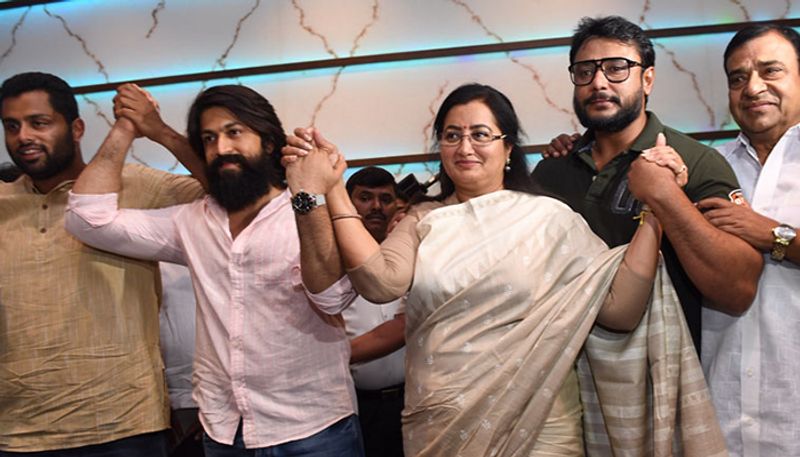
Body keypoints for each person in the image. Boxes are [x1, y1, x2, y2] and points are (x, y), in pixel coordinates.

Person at [282, 83, 725, 456]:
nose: (465, 147)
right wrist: (332, 187)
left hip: (540, 424)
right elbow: (380, 281)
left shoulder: (549, 219)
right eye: (452, 136)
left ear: (508, 147)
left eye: (480, 134)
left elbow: (619, 310)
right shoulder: (423, 218)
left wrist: (656, 210)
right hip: (441, 425)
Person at [64, 84, 364, 456]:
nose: (221, 148)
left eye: (234, 132)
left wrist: (309, 195)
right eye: (209, 139)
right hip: (225, 431)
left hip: (314, 428)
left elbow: (333, 298)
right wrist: (129, 125)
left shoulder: (305, 211)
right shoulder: (192, 222)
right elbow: (86, 219)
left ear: (269, 142)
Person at [530, 15, 763, 355]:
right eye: (585, 71)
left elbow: (738, 290)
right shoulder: (551, 170)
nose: (598, 82)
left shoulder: (695, 161)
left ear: (648, 79)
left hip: (658, 367)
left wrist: (665, 196)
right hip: (559, 368)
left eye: (617, 68)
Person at [0, 73, 205, 455]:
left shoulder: (137, 185)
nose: (23, 136)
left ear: (76, 128)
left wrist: (159, 132)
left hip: (124, 424)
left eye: (38, 123)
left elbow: (231, 194)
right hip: (17, 432)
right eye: (11, 126)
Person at [697, 24, 800, 456]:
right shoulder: (707, 168)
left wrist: (775, 236)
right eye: (737, 78)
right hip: (719, 415)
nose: (753, 87)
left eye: (770, 71)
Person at [342, 166, 406, 457]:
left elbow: (409, 325)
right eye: (365, 198)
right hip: (355, 405)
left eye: (385, 199)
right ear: (347, 204)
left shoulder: (415, 253)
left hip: (412, 399)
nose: (376, 207)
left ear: (398, 206)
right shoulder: (329, 262)